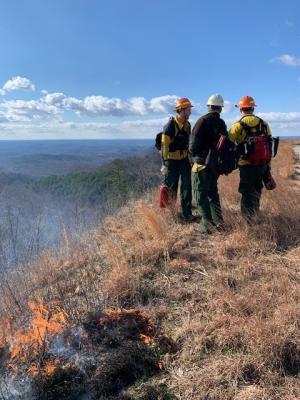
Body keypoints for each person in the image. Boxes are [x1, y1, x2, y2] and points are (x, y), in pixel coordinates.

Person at [229, 96, 272, 221]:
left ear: (241, 109)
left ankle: (247, 220)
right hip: (262, 164)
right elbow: (269, 145)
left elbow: (229, 145)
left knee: (246, 191)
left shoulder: (236, 126)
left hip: (246, 164)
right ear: (253, 108)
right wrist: (268, 165)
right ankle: (255, 214)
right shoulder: (264, 124)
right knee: (257, 189)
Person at [189, 94, 227, 233]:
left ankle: (206, 225)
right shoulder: (221, 123)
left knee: (199, 194)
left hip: (200, 164)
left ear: (209, 106)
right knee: (212, 193)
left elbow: (192, 146)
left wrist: (192, 158)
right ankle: (218, 222)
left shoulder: (202, 121)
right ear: (220, 108)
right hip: (214, 165)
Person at [161, 97, 194, 221]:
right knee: (171, 188)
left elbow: (188, 142)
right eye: (188, 109)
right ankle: (172, 214)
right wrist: (164, 164)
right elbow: (165, 146)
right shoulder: (170, 126)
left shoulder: (188, 125)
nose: (190, 112)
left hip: (184, 160)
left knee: (187, 187)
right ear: (181, 110)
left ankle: (187, 213)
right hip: (172, 162)